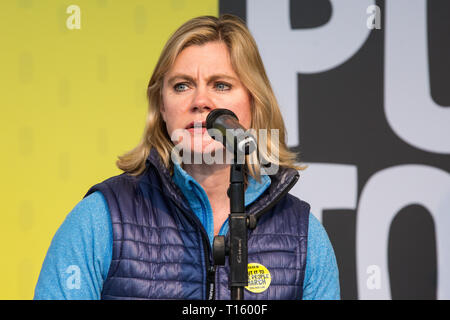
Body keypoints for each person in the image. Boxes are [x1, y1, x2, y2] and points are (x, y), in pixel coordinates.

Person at [34, 14, 340, 300]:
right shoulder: (100, 218)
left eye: (221, 85)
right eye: (182, 86)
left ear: (254, 103)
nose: (200, 101)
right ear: (162, 108)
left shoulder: (305, 237)